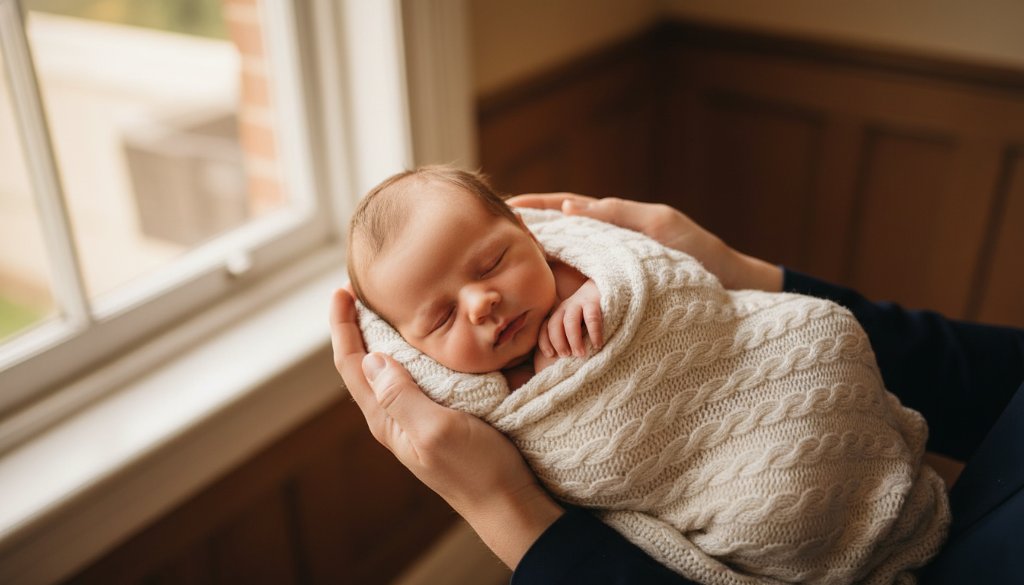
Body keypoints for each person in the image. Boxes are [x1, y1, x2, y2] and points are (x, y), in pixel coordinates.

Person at [331, 193, 1024, 584]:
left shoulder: (580, 271)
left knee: (822, 335)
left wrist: (600, 294)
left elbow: (645, 280)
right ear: (412, 352)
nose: (482, 303)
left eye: (493, 262)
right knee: (771, 513)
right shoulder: (481, 399)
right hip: (699, 481)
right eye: (443, 316)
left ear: (535, 238)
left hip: (760, 378)